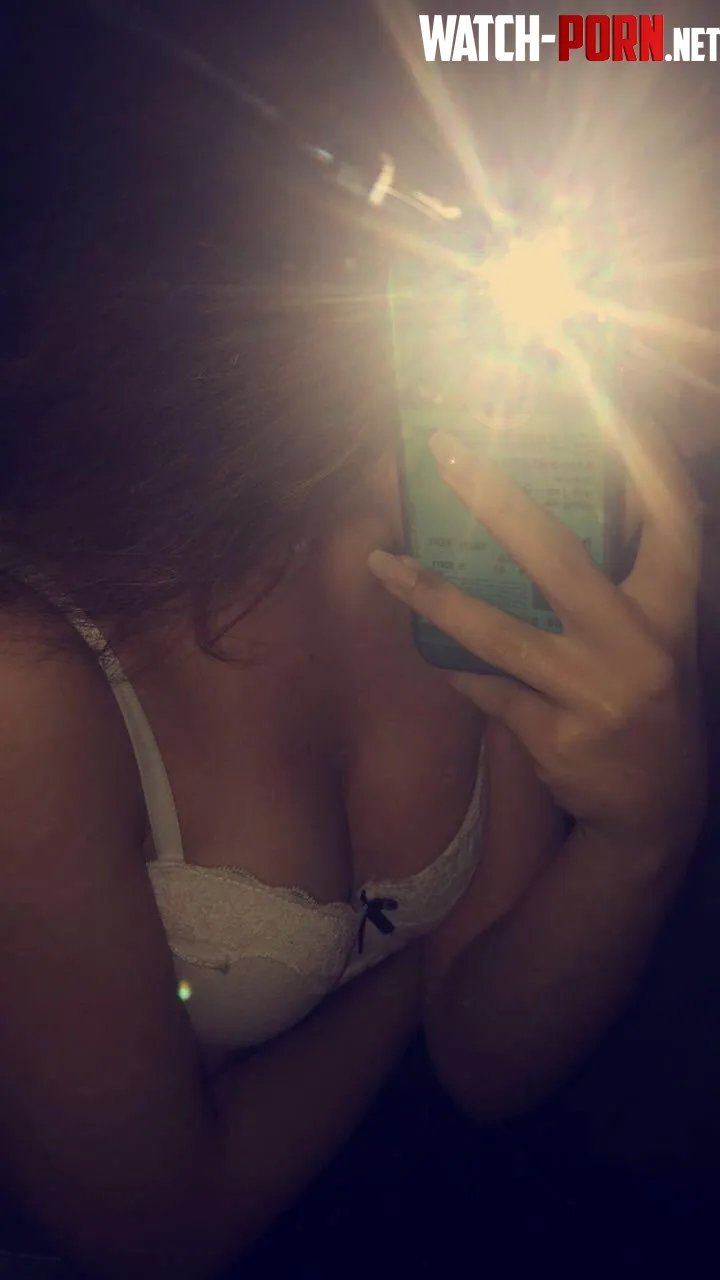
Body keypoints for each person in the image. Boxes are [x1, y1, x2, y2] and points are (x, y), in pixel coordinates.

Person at [0, 11, 707, 1280]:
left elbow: (484, 1058)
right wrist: (401, 979)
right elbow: (153, 1234)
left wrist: (643, 836)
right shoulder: (33, 668)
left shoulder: (501, 548)